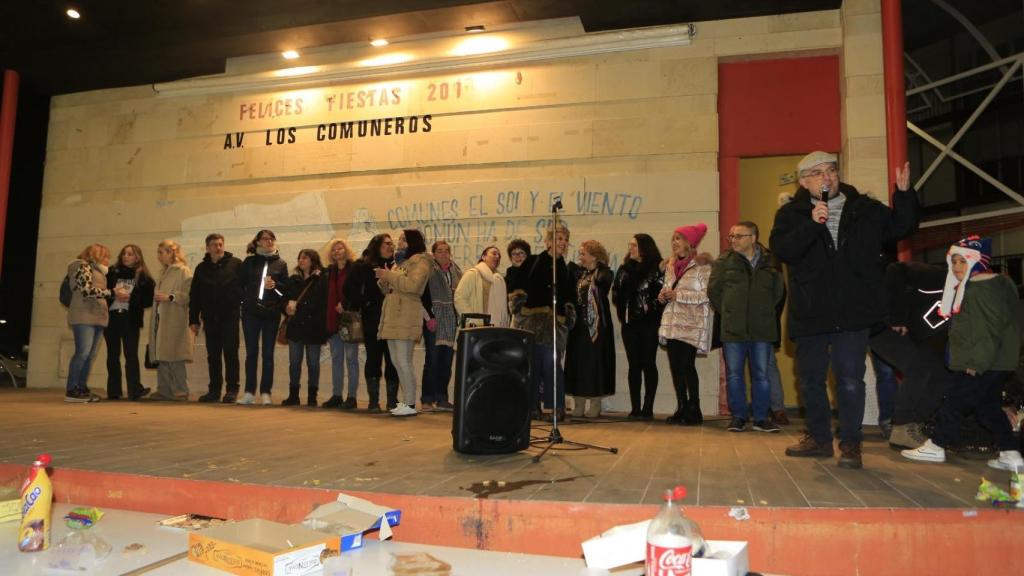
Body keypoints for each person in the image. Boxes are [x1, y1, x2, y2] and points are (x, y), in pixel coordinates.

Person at [770, 152, 917, 469]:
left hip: (853, 310)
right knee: (810, 380)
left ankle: (851, 444)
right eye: (818, 173)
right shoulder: (791, 214)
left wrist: (904, 195)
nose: (827, 177)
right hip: (811, 311)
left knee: (850, 379)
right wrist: (812, 224)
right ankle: (819, 439)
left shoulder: (864, 209)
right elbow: (783, 250)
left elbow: (901, 227)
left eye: (832, 170)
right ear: (804, 180)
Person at [901, 236, 1024, 471]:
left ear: (978, 262)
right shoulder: (984, 286)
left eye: (963, 262)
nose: (957, 267)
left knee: (955, 401)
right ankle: (1011, 452)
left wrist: (975, 362)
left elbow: (986, 331)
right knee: (987, 407)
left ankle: (936, 445)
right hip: (995, 362)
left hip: (982, 361)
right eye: (954, 261)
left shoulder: (980, 290)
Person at [709, 221, 784, 433]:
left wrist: (764, 312)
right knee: (734, 374)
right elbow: (714, 292)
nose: (733, 240)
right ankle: (739, 417)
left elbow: (778, 292)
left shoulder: (770, 262)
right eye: (731, 236)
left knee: (761, 374)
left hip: (763, 328)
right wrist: (731, 312)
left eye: (738, 236)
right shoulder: (724, 261)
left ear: (753, 238)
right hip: (733, 329)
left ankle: (761, 418)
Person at [871, 260, 953, 449]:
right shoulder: (938, 275)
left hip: (912, 335)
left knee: (940, 373)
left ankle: (915, 425)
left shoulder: (967, 295)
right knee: (918, 368)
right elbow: (895, 268)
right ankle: (901, 427)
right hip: (884, 326)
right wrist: (897, 316)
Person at [508, 223, 575, 422]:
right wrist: (519, 311)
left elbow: (570, 297)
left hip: (554, 325)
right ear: (547, 242)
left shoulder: (566, 269)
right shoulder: (534, 262)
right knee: (532, 366)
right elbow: (517, 286)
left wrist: (568, 318)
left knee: (551, 364)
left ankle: (556, 407)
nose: (562, 243)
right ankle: (532, 406)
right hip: (531, 323)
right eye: (558, 238)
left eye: (565, 239)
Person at [658, 223, 714, 425]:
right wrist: (663, 295)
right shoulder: (671, 266)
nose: (674, 242)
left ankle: (694, 409)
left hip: (691, 324)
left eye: (679, 238)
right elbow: (667, 288)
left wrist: (678, 295)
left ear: (689, 243)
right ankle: (681, 407)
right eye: (673, 238)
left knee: (687, 366)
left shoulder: (702, 266)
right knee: (675, 367)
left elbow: (705, 295)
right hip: (673, 323)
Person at [376, 230, 434, 417]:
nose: (398, 242)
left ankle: (410, 403)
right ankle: (405, 401)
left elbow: (413, 286)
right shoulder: (399, 262)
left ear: (412, 242)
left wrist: (389, 276)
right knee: (395, 361)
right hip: (393, 313)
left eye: (403, 239)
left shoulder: (421, 261)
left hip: (406, 314)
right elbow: (393, 286)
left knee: (404, 360)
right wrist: (383, 280)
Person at [612, 233, 664, 420]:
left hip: (649, 324)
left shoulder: (657, 268)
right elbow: (616, 292)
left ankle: (647, 408)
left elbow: (661, 295)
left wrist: (648, 308)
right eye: (629, 245)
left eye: (634, 245)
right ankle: (635, 408)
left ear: (644, 248)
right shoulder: (624, 269)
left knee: (648, 363)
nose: (630, 248)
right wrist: (623, 309)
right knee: (634, 365)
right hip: (629, 324)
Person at [345, 233, 400, 412]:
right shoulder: (363, 266)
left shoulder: (398, 265)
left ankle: (392, 401)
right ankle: (374, 401)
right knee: (374, 359)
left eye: (392, 244)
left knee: (393, 361)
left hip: (394, 320)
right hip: (372, 320)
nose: (390, 247)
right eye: (386, 244)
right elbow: (348, 289)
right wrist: (365, 303)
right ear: (377, 246)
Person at [237, 229, 289, 405]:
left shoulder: (281, 264)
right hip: (251, 313)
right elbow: (239, 285)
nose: (268, 242)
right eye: (265, 239)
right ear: (257, 242)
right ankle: (249, 392)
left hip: (271, 313)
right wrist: (245, 303)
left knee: (268, 353)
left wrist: (275, 286)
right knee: (251, 352)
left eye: (271, 239)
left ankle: (266, 392)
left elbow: (284, 292)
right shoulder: (249, 262)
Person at [189, 233, 243, 404]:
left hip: (230, 318)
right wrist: (194, 320)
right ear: (207, 247)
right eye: (214, 244)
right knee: (213, 355)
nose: (218, 247)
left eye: (220, 244)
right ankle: (214, 391)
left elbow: (245, 288)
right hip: (210, 319)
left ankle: (232, 390)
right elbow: (195, 295)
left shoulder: (236, 264)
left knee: (231, 354)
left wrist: (237, 302)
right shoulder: (201, 268)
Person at [565, 240, 615, 418]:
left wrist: (594, 271)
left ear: (593, 256)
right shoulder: (578, 273)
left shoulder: (605, 273)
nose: (580, 257)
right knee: (577, 362)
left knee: (595, 363)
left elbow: (603, 285)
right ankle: (578, 402)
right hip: (578, 326)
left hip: (597, 327)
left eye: (583, 254)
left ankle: (595, 402)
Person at [104, 244, 155, 401]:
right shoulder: (112, 272)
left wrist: (131, 298)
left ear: (137, 257)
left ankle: (134, 390)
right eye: (124, 253)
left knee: (131, 355)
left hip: (130, 318)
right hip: (111, 318)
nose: (126, 256)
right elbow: (103, 293)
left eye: (130, 254)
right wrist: (114, 295)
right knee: (112, 354)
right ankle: (114, 391)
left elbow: (147, 301)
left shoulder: (143, 276)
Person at [65, 244, 112, 403]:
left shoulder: (98, 271)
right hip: (84, 316)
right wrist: (110, 292)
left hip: (97, 317)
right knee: (82, 353)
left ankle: (82, 388)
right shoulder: (82, 266)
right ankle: (72, 389)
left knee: (90, 356)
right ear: (96, 255)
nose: (107, 260)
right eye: (105, 256)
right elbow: (86, 290)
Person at [281, 249, 328, 406]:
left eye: (305, 258)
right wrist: (286, 308)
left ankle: (312, 396)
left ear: (313, 260)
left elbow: (324, 303)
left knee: (313, 363)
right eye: (299, 257)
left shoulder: (321, 279)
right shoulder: (293, 280)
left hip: (314, 327)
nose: (301, 260)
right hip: (295, 327)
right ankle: (293, 395)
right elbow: (284, 299)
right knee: (294, 362)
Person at [148, 240, 194, 401]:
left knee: (175, 356)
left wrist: (171, 297)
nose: (159, 256)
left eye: (162, 252)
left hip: (175, 317)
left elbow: (189, 294)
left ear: (172, 253)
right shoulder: (162, 272)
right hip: (161, 318)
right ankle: (164, 389)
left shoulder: (183, 271)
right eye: (158, 252)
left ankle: (181, 390)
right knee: (162, 355)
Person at [421, 240, 463, 412]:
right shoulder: (428, 271)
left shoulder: (457, 271)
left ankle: (442, 398)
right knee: (432, 360)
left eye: (446, 251)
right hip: (434, 321)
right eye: (439, 251)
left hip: (451, 322)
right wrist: (428, 317)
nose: (443, 254)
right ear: (433, 253)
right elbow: (421, 296)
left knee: (446, 362)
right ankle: (427, 399)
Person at [322, 238, 360, 410]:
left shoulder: (354, 269)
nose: (337, 251)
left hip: (349, 319)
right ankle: (337, 395)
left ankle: (351, 397)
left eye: (340, 248)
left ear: (347, 250)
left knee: (351, 359)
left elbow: (357, 291)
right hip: (333, 320)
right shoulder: (329, 271)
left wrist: (344, 303)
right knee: (336, 359)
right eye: (334, 249)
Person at [455, 246, 509, 328]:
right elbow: (459, 298)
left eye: (499, 256)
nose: (497, 256)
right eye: (494, 253)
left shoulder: (499, 280)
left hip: (495, 329)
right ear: (484, 257)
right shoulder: (473, 274)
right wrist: (473, 320)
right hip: (475, 328)